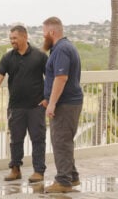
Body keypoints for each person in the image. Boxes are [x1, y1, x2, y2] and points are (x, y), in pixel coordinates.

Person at [0, 25, 48, 183]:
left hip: (36, 106)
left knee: (38, 139)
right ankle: (15, 169)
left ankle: (39, 171)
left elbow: (49, 77)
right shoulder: (8, 57)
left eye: (15, 38)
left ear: (24, 37)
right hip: (16, 107)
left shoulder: (40, 56)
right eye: (10, 39)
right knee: (15, 139)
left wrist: (48, 98)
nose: (12, 41)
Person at [42, 17, 83, 193]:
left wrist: (52, 104)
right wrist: (48, 98)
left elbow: (61, 78)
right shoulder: (62, 48)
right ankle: (72, 177)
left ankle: (63, 181)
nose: (43, 36)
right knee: (65, 141)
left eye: (44, 32)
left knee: (60, 141)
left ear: (52, 32)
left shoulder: (61, 50)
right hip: (67, 102)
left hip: (65, 104)